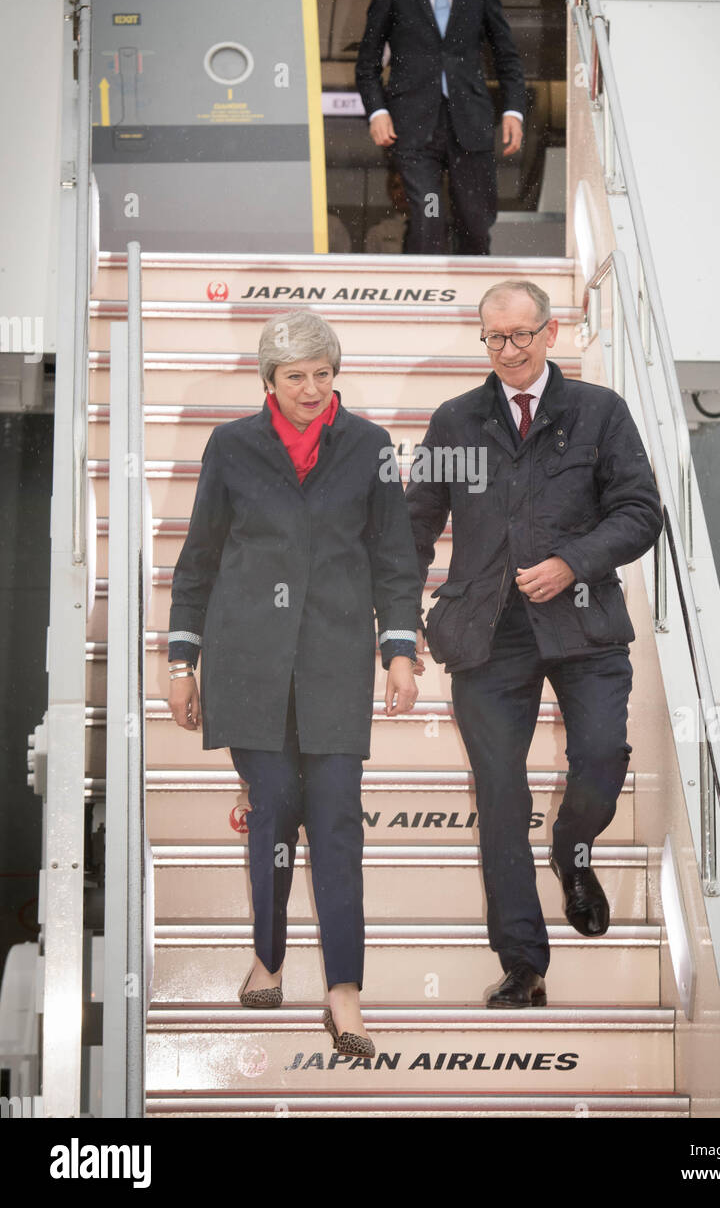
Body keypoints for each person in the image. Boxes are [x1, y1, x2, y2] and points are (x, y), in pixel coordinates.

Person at [167, 309, 422, 1057]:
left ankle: (344, 990)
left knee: (338, 819)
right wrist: (183, 662)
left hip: (335, 663)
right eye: (294, 377)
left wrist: (399, 650)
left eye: (322, 373)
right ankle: (269, 956)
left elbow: (394, 560)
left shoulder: (371, 445)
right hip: (247, 662)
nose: (311, 389)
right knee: (274, 810)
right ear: (269, 382)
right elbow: (199, 560)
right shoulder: (232, 445)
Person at [405, 280, 664, 1008]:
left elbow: (641, 511)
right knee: (500, 796)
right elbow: (415, 523)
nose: (510, 351)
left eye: (523, 335)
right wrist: (396, 620)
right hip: (488, 638)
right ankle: (523, 962)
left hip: (583, 625)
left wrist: (573, 562)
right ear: (482, 340)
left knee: (602, 763)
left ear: (552, 334)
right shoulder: (456, 421)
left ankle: (573, 851)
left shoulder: (598, 413)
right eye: (496, 338)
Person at [355, 0, 525, 255]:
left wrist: (514, 110)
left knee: (475, 221)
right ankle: (427, 299)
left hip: (470, 124)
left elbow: (506, 54)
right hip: (414, 128)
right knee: (429, 214)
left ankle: (475, 300)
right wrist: (377, 111)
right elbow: (367, 59)